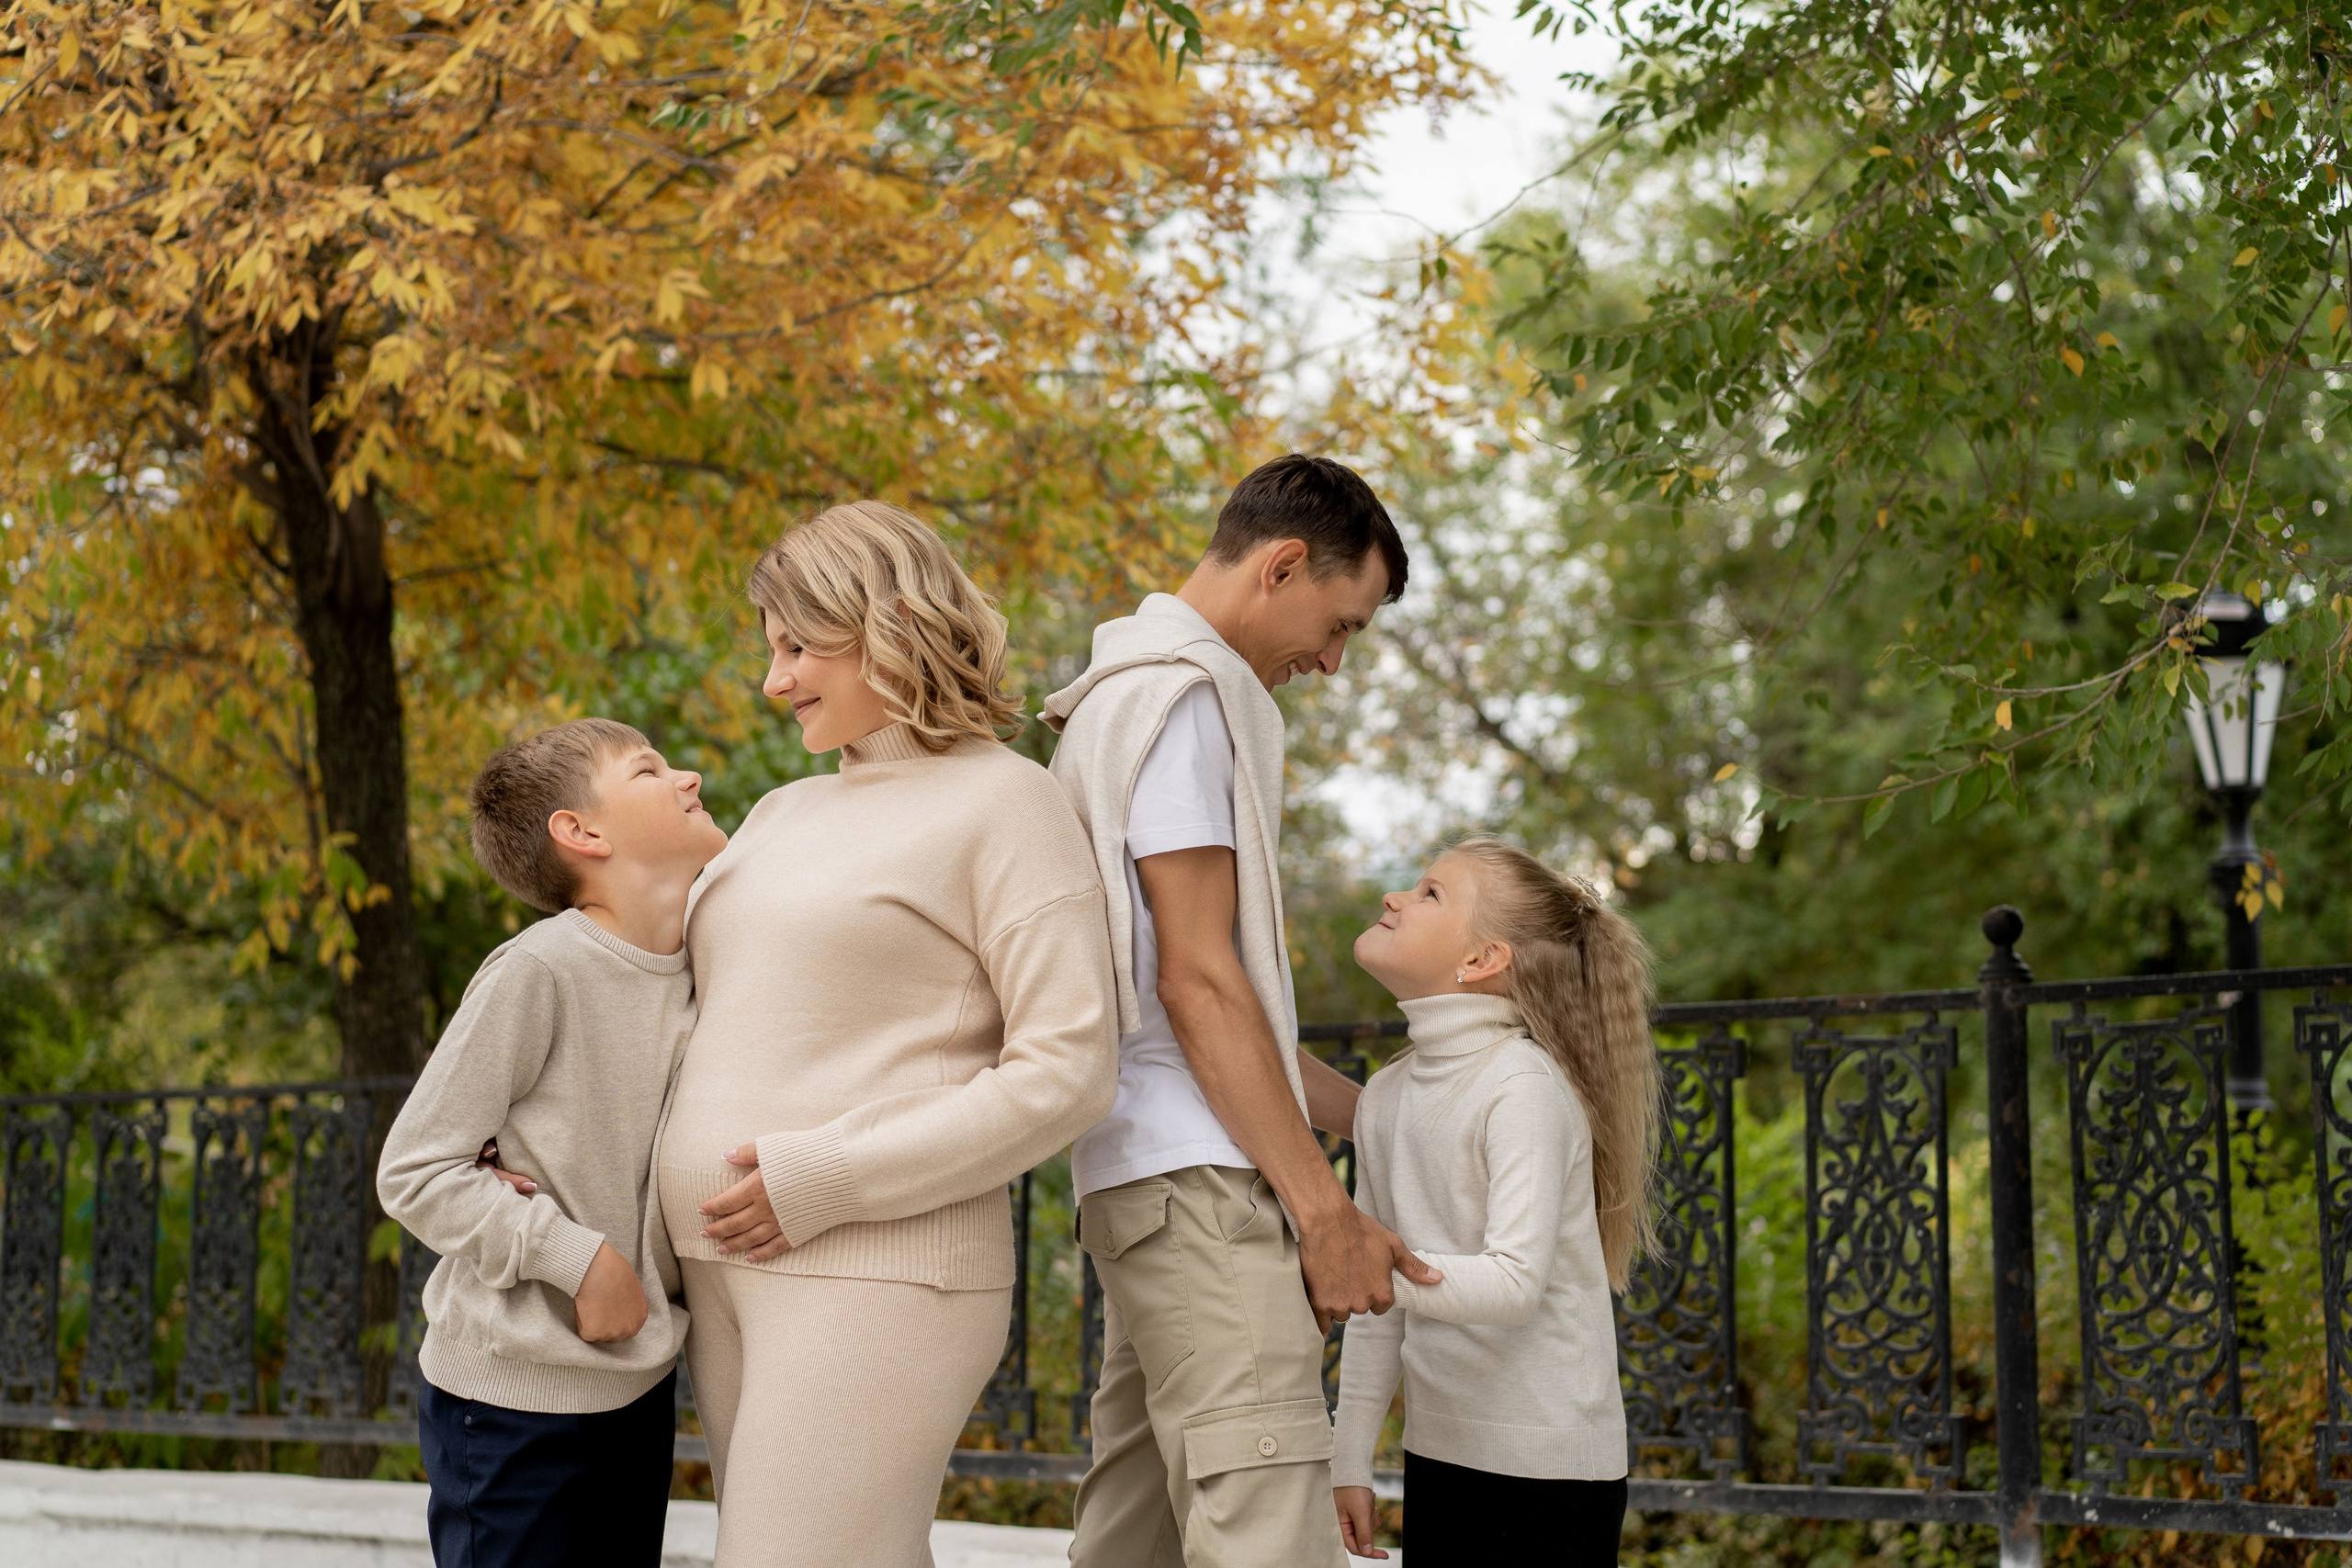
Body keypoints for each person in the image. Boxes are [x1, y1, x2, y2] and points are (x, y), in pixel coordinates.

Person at [656, 501, 1119, 1568]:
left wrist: (829, 1178)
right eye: (768, 650)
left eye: (797, 646)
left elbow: (1068, 1070)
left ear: (887, 624)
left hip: (874, 1267)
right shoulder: (778, 813)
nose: (773, 681)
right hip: (721, 1265)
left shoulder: (1007, 804)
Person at [1043, 454, 1439, 1568]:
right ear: (1280, 566)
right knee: (1266, 1542)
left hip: (1143, 1189)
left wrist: (1388, 1118)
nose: (1331, 660)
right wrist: (1324, 1214)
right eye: (1342, 623)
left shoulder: (1114, 698)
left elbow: (1201, 1012)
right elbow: (1197, 983)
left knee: (1136, 1541)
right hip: (1202, 1196)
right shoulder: (1187, 703)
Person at [378, 719, 729, 1568]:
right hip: (508, 1398)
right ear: (582, 832)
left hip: (635, 1386)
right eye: (649, 769)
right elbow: (416, 1168)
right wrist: (576, 1257)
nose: (688, 775)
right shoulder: (540, 969)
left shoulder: (704, 969)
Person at [1331, 839, 1659, 1567]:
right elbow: (1377, 1306)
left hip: (1553, 1468)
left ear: (1482, 961)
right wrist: (1349, 1456)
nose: (1395, 898)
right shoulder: (1388, 1095)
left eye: (1430, 894)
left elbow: (1512, 1283)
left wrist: (1380, 1265)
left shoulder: (1521, 1086)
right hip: (1441, 1450)